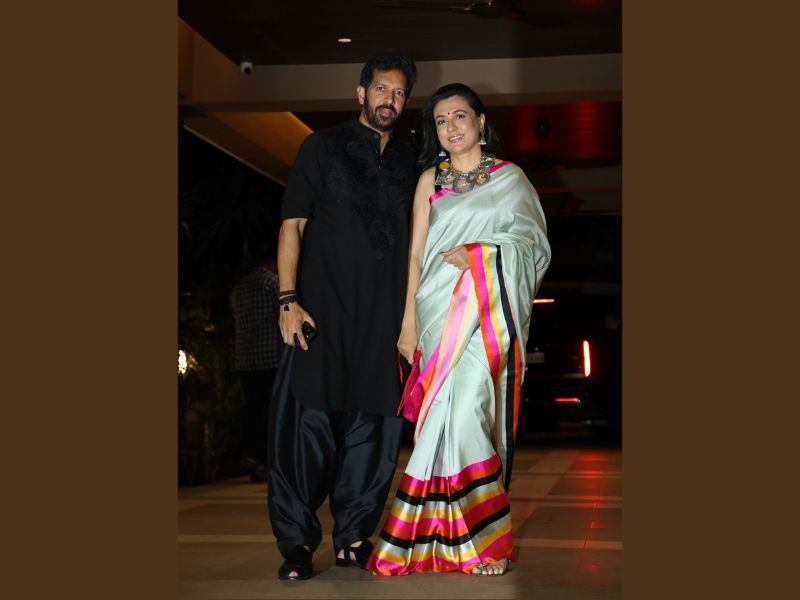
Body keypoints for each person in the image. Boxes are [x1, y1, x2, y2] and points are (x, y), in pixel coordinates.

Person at [366, 83, 552, 577]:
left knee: (469, 411)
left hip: (486, 316)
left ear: (481, 121)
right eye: (441, 120)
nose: (451, 127)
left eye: (459, 116)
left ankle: (485, 541)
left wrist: (482, 255)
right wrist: (408, 323)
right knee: (438, 423)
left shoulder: (511, 179)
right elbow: (414, 255)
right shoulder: (430, 179)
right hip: (435, 312)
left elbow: (533, 247)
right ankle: (436, 539)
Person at [266, 50, 418, 581]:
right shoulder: (321, 146)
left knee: (373, 431)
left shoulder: (413, 160)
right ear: (361, 93)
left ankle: (354, 537)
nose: (389, 100)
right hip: (320, 314)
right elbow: (293, 224)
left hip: (383, 321)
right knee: (305, 429)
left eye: (399, 92)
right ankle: (296, 544)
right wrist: (288, 300)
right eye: (381, 89)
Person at [229, 244, 282, 482]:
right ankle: (266, 460)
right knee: (272, 412)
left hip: (245, 360)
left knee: (252, 410)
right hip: (270, 358)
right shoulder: (272, 283)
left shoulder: (239, 287)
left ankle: (253, 458)